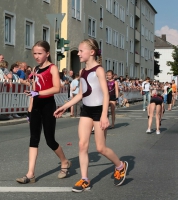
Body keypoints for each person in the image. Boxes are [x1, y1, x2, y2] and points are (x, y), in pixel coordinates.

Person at [54, 38, 128, 192]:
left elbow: (106, 95)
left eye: (81, 51)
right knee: (82, 144)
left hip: (99, 110)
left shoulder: (99, 70)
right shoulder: (82, 71)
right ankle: (84, 179)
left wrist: (103, 115)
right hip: (86, 110)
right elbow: (82, 93)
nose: (79, 54)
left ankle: (120, 166)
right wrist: (65, 106)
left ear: (92, 52)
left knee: (101, 148)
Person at [16, 41, 71, 184]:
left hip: (48, 106)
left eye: (40, 53)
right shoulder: (35, 69)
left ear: (47, 54)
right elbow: (33, 90)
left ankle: (64, 162)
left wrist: (37, 93)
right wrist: (29, 110)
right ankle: (30, 173)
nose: (37, 56)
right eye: (34, 53)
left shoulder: (52, 68)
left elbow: (56, 88)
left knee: (49, 140)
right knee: (33, 139)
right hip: (36, 107)